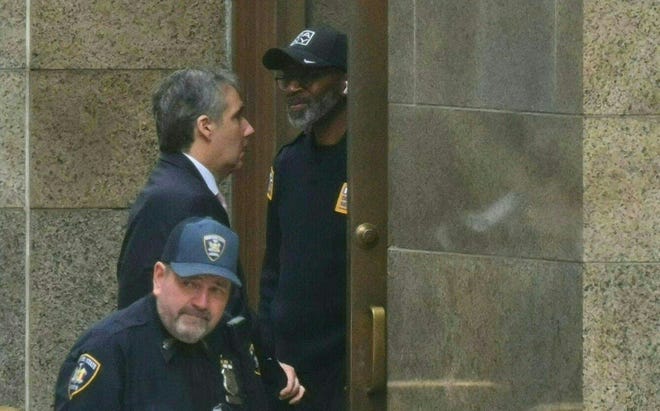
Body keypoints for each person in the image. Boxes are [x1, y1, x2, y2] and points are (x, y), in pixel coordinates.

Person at [54, 217, 270, 410]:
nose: (202, 303)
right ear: (159, 277)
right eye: (189, 284)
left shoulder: (234, 341)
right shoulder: (111, 350)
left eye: (216, 289)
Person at [258, 25, 349, 410]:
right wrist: (267, 349)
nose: (293, 87)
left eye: (308, 77)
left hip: (342, 371)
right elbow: (273, 267)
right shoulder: (289, 162)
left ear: (344, 80)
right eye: (287, 78)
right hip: (287, 369)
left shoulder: (367, 166)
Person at [116, 68, 254, 310]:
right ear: (206, 127)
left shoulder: (178, 188)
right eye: (237, 117)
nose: (248, 129)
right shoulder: (180, 199)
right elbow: (143, 305)